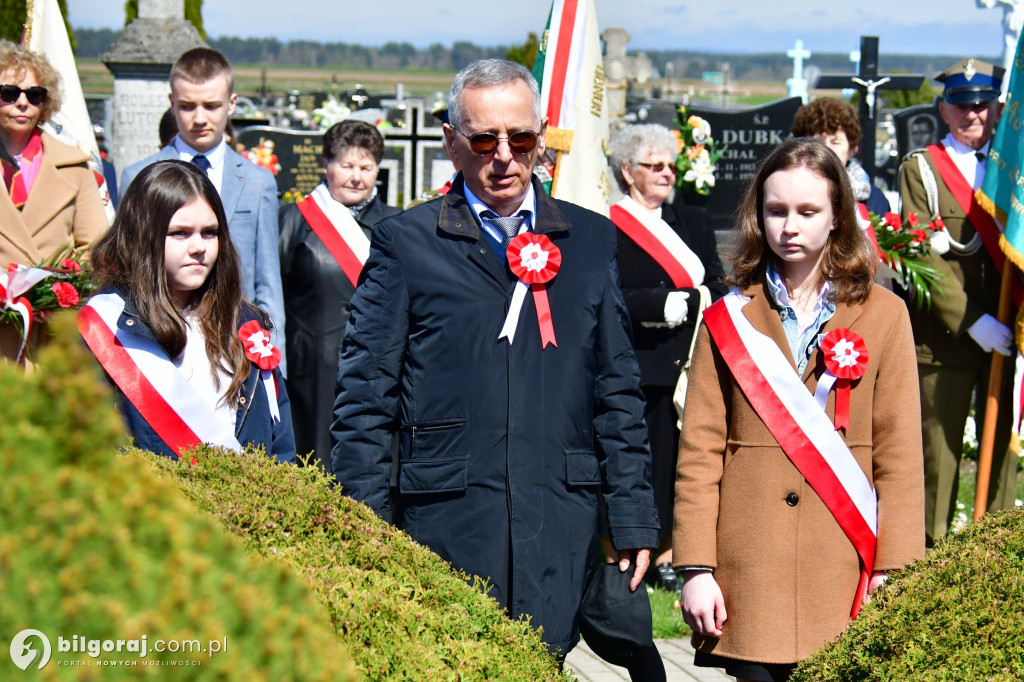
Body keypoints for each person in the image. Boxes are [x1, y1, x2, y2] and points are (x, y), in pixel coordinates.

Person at [331, 59, 659, 657]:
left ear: (542, 138)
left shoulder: (588, 240)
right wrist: (363, 528)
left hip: (557, 515)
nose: (503, 156)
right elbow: (364, 399)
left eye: (521, 138)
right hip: (447, 520)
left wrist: (633, 517)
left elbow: (617, 390)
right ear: (453, 143)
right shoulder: (407, 243)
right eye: (484, 138)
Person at [675, 138, 924, 681]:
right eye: (775, 210)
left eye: (808, 211)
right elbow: (699, 453)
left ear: (837, 216)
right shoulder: (728, 319)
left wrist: (896, 568)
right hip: (749, 568)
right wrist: (696, 568)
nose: (790, 226)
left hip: (842, 564)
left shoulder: (884, 315)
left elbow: (900, 456)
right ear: (757, 216)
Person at [79, 160, 295, 464]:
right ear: (143, 236)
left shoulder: (247, 324)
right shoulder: (104, 330)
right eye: (180, 233)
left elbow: (280, 443)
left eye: (209, 232)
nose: (199, 247)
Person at [898, 57, 1018, 547]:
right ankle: (928, 574)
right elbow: (920, 254)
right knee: (937, 466)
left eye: (984, 106)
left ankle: (997, 571)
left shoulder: (1015, 173)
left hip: (1010, 338)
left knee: (1003, 470)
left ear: (999, 109)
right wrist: (973, 321)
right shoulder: (922, 169)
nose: (974, 116)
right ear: (944, 110)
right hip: (946, 341)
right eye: (962, 106)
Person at [607, 123, 728, 592]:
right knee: (650, 461)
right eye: (653, 166)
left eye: (670, 166)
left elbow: (719, 282)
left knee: (688, 460)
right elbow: (610, 294)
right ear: (627, 171)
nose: (665, 174)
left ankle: (679, 552)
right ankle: (645, 550)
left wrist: (697, 298)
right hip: (647, 365)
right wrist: (653, 305)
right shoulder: (609, 225)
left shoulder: (691, 221)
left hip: (697, 361)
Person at [120, 48, 287, 373]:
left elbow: (268, 281)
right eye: (187, 106)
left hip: (237, 343)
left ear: (232, 103)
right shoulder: (139, 176)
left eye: (211, 106)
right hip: (161, 344)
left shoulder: (257, 182)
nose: (199, 118)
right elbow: (130, 270)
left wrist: (271, 365)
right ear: (171, 102)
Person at [278, 120, 400, 470]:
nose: (357, 177)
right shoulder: (291, 221)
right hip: (310, 369)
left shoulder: (397, 226)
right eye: (346, 166)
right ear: (326, 165)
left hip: (378, 366)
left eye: (366, 167)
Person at [0, 40, 109, 363]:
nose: (23, 103)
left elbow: (96, 249)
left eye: (34, 95)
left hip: (52, 338)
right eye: (9, 92)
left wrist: (63, 293)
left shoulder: (74, 167)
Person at [791, 97, 890, 217]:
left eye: (835, 142)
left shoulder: (874, 199)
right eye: (818, 142)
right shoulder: (788, 190)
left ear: (852, 149)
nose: (827, 149)